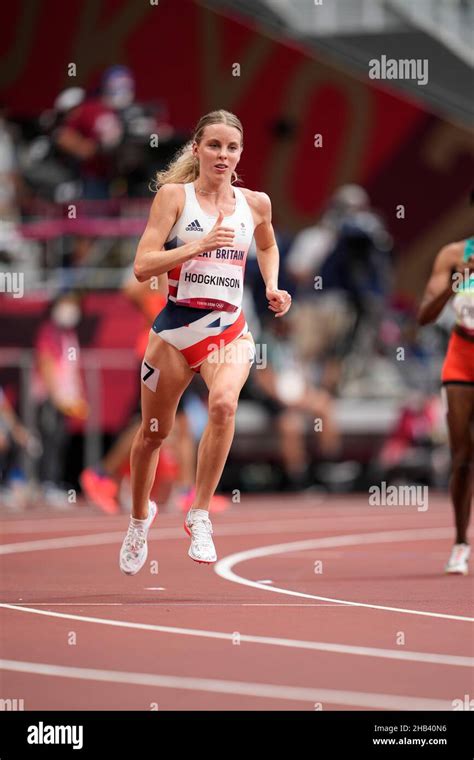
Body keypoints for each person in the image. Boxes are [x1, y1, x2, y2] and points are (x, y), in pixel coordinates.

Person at [119, 109, 291, 574]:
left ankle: (199, 513)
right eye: (214, 145)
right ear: (196, 148)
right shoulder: (175, 198)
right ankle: (139, 520)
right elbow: (142, 266)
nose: (223, 154)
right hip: (175, 331)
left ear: (240, 154)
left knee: (223, 407)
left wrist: (273, 284)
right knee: (154, 435)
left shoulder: (256, 203)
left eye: (232, 147)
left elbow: (268, 244)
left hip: (229, 329)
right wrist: (197, 245)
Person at [417, 235, 474, 575]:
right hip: (462, 358)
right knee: (463, 456)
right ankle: (460, 542)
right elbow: (424, 315)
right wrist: (456, 283)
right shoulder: (455, 254)